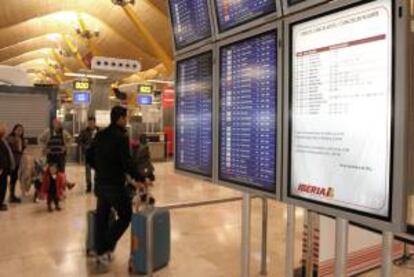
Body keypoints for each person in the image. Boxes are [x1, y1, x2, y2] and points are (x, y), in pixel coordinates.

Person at [89, 106, 143, 269]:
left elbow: (89, 155)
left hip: (100, 184)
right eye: (125, 118)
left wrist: (99, 169)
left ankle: (99, 252)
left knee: (102, 217)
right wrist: (139, 177)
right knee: (126, 216)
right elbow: (127, 163)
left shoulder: (100, 134)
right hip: (114, 186)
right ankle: (106, 246)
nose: (126, 120)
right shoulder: (121, 137)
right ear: (119, 118)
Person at [77, 116, 99, 193]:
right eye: (90, 123)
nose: (91, 124)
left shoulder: (99, 131)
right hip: (88, 154)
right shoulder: (84, 132)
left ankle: (97, 185)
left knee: (98, 171)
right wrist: (85, 146)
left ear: (95, 122)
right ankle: (89, 185)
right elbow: (79, 141)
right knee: (88, 170)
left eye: (92, 122)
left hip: (97, 154)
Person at [7, 124, 26, 203]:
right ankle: (11, 196)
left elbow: (21, 150)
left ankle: (12, 195)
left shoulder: (21, 139)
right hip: (12, 161)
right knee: (12, 178)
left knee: (14, 178)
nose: (20, 131)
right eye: (18, 130)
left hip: (18, 161)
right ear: (14, 130)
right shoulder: (10, 138)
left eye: (21, 130)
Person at [0, 124, 15, 211]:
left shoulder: (3, 141)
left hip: (4, 168)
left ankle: (1, 202)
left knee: (3, 186)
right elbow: (1, 156)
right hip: (1, 168)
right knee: (1, 186)